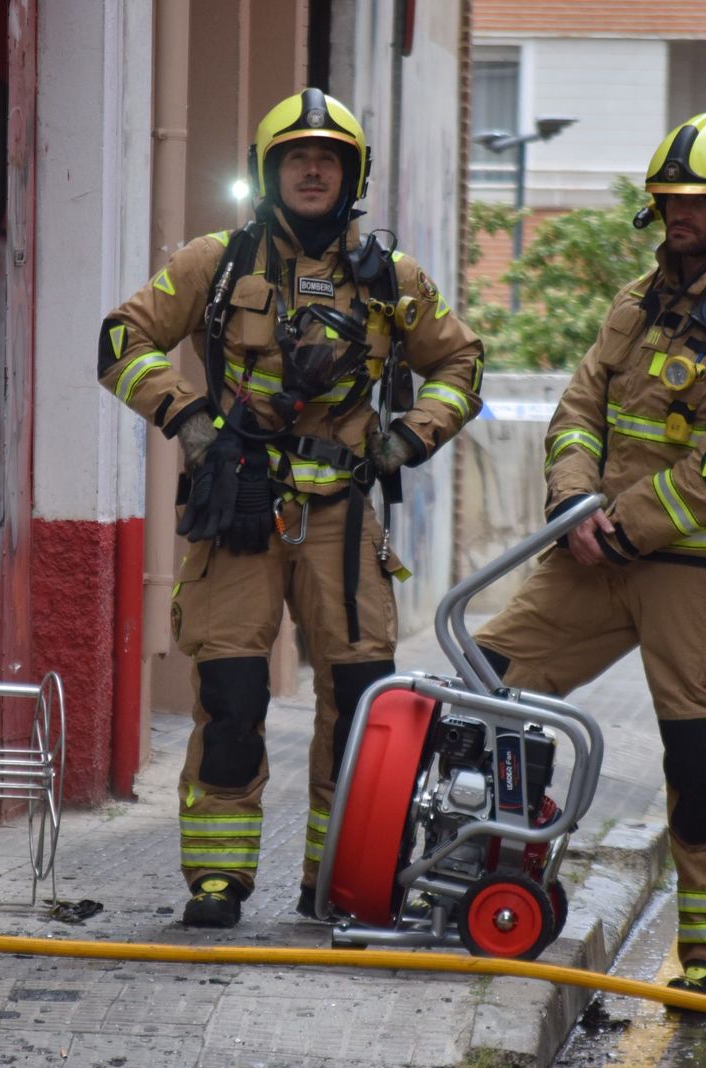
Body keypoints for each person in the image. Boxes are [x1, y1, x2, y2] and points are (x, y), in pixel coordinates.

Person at [97, 88, 484, 927]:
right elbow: (119, 341)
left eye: (329, 158)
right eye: (296, 157)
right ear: (269, 172)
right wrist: (189, 420)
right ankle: (217, 879)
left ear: (352, 175)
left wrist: (408, 439)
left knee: (361, 707)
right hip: (239, 509)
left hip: (343, 519)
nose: (313, 169)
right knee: (232, 701)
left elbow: (462, 366)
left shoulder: (395, 278)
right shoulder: (217, 261)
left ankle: (338, 876)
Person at [473, 113, 706, 1004]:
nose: (678, 214)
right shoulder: (634, 301)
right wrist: (575, 503)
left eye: (697, 201)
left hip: (698, 578)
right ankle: (495, 875)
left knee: (702, 767)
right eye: (668, 199)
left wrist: (621, 524)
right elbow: (577, 410)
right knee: (485, 683)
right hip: (591, 555)